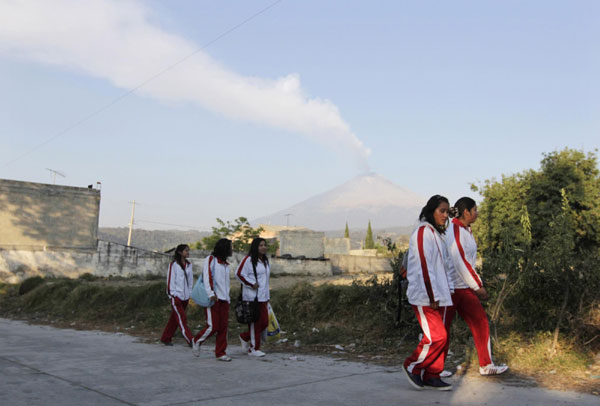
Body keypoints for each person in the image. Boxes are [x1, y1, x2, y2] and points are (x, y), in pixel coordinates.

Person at [444, 197, 508, 376]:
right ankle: (431, 368)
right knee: (441, 330)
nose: (477, 213)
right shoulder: (455, 230)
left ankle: (486, 365)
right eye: (475, 210)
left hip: (463, 287)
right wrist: (478, 286)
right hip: (452, 288)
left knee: (480, 322)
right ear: (467, 212)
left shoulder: (466, 230)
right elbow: (460, 261)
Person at [403, 195, 454, 391]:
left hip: (440, 296)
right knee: (437, 336)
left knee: (443, 336)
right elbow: (424, 266)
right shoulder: (423, 232)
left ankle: (433, 374)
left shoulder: (436, 233)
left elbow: (443, 266)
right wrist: (432, 296)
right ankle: (412, 365)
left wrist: (446, 292)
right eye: (441, 211)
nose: (445, 215)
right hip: (425, 296)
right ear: (431, 211)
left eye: (447, 211)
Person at [192, 238, 233, 361]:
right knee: (213, 326)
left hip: (225, 299)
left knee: (223, 327)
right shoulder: (211, 260)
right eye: (231, 247)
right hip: (214, 298)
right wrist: (210, 293)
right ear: (224, 248)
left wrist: (228, 297)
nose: (232, 249)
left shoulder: (226, 264)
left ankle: (221, 352)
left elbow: (226, 283)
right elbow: (207, 276)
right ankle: (197, 340)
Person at [236, 238, 270, 357]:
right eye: (260, 245)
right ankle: (254, 348)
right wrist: (251, 283)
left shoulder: (265, 261)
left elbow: (265, 281)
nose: (263, 247)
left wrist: (267, 296)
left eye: (264, 245)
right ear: (255, 247)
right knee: (255, 323)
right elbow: (239, 273)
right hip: (252, 297)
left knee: (265, 322)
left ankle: (244, 337)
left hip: (263, 297)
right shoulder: (248, 260)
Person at [160, 244, 195, 347]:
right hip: (176, 297)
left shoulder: (189, 265)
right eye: (186, 251)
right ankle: (190, 340)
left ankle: (165, 338)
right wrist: (173, 295)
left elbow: (190, 281)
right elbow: (170, 280)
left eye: (188, 251)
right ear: (180, 252)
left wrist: (189, 293)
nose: (188, 252)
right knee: (182, 318)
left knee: (175, 319)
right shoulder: (173, 265)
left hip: (185, 297)